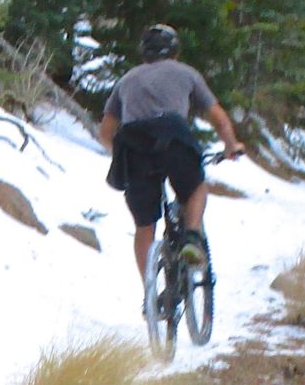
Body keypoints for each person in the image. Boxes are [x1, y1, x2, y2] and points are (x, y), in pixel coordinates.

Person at [96, 24, 241, 302]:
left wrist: (123, 152)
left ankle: (150, 294)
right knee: (196, 188)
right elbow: (219, 119)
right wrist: (231, 146)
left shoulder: (126, 80)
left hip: (133, 147)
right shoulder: (186, 73)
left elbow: (105, 133)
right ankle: (192, 238)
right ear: (174, 50)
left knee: (144, 226)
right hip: (173, 139)